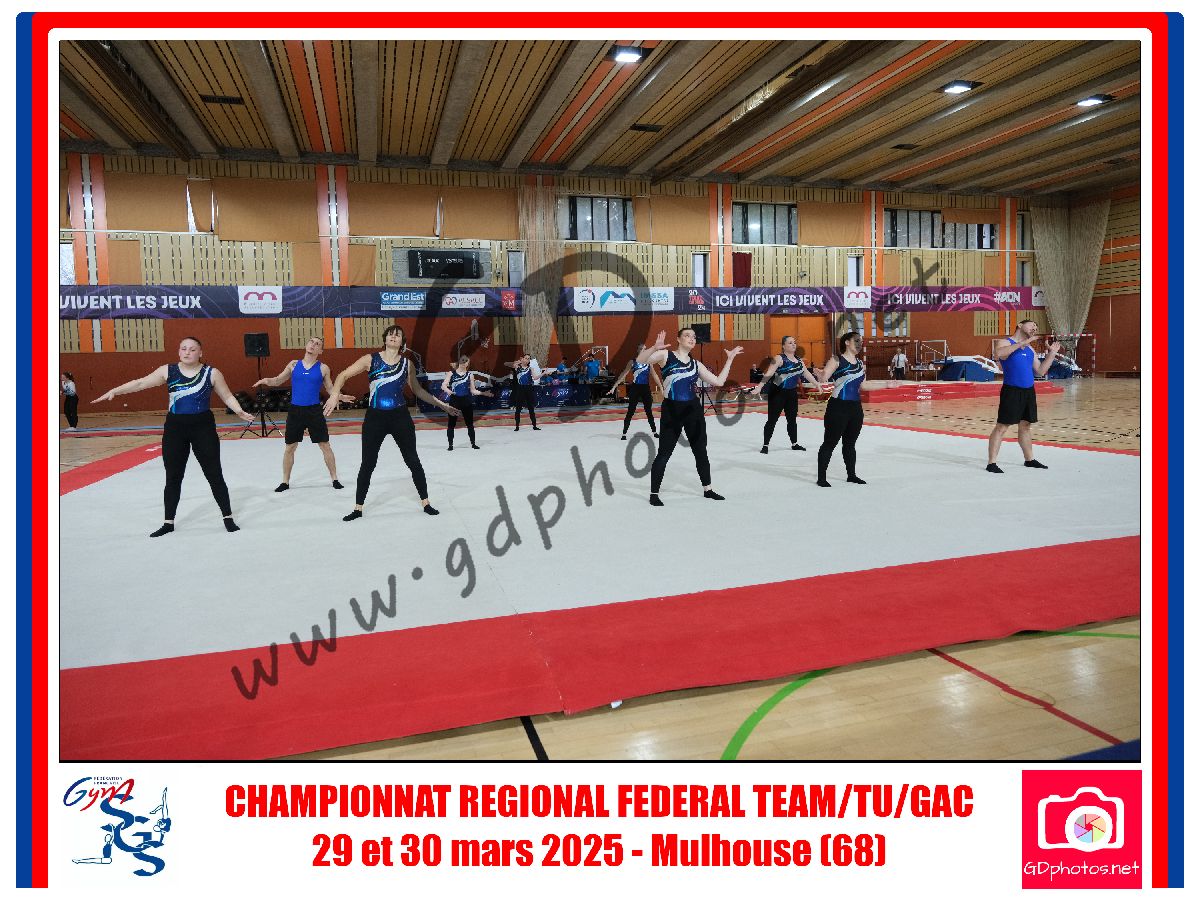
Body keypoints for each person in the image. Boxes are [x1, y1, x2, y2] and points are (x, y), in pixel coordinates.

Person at [93, 337, 255, 536]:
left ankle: (227, 517)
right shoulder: (167, 371)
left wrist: (238, 410)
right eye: (183, 348)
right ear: (179, 351)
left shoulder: (212, 373)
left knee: (214, 474)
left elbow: (227, 395)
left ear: (200, 353)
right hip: (175, 428)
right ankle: (168, 522)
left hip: (203, 427)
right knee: (173, 476)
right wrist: (115, 391)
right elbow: (141, 383)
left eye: (192, 349)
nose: (187, 352)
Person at [324, 324, 458, 520]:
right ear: (385, 338)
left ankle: (426, 502)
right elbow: (343, 375)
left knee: (412, 460)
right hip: (375, 418)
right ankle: (358, 508)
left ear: (402, 342)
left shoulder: (407, 364)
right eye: (390, 334)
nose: (394, 336)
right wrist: (334, 394)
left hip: (399, 417)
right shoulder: (370, 359)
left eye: (398, 335)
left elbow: (418, 391)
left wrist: (442, 405)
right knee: (368, 463)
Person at [638, 328, 743, 506]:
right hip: (672, 410)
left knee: (700, 450)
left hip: (693, 410)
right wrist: (654, 348)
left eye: (694, 336)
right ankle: (654, 494)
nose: (692, 338)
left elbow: (719, 382)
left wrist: (730, 359)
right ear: (678, 339)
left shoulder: (696, 364)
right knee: (664, 453)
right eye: (687, 335)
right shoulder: (665, 355)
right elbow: (641, 360)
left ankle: (708, 489)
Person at [252, 336, 353, 492]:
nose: (313, 345)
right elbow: (278, 380)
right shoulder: (293, 364)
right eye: (311, 342)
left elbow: (330, 389)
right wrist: (266, 380)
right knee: (290, 447)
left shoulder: (323, 368)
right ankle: (285, 482)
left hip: (314, 411)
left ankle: (335, 479)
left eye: (317, 344)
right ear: (307, 345)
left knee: (325, 445)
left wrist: (340, 396)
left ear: (320, 351)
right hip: (295, 411)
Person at [986, 319, 1061, 473]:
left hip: (1028, 391)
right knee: (1002, 426)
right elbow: (999, 354)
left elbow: (1040, 371)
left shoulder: (1030, 349)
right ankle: (991, 463)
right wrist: (1022, 343)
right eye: (1032, 325)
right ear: (1020, 325)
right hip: (1011, 391)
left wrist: (1052, 354)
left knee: (1026, 426)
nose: (1034, 328)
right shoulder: (1005, 342)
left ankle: (1029, 459)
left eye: (1036, 327)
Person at [748, 337, 824, 454]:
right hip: (777, 392)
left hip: (791, 393)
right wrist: (759, 387)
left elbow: (806, 373)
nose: (793, 345)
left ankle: (794, 444)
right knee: (772, 420)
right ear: (783, 346)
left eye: (794, 343)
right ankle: (765, 445)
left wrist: (817, 384)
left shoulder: (799, 360)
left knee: (792, 420)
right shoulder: (779, 358)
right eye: (790, 343)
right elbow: (769, 373)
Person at [816, 331, 867, 488]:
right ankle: (821, 478)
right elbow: (825, 377)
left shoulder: (860, 364)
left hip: (855, 408)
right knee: (830, 443)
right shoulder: (837, 359)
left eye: (861, 341)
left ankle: (851, 475)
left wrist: (887, 385)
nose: (859, 344)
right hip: (838, 407)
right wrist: (820, 375)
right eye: (856, 340)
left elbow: (864, 386)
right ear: (846, 342)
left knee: (850, 444)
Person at [605, 344, 663, 440]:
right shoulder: (632, 362)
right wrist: (614, 387)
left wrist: (661, 387)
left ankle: (654, 432)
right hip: (635, 388)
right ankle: (624, 433)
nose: (643, 351)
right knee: (630, 411)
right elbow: (624, 374)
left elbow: (655, 375)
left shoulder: (649, 362)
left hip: (645, 388)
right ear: (637, 350)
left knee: (649, 411)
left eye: (645, 349)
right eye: (641, 349)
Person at [439, 354, 493, 450]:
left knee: (470, 424)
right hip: (454, 401)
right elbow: (443, 385)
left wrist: (484, 393)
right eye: (463, 360)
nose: (465, 363)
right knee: (451, 424)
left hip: (466, 401)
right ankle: (450, 445)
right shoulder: (451, 373)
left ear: (468, 364)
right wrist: (448, 391)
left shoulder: (470, 375)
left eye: (466, 361)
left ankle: (473, 443)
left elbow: (473, 390)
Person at [504, 352, 543, 431]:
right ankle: (517, 426)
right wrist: (519, 361)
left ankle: (534, 426)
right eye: (526, 358)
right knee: (518, 408)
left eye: (528, 359)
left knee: (531, 408)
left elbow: (535, 378)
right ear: (523, 359)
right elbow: (505, 363)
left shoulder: (530, 368)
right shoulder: (517, 367)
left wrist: (543, 373)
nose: (527, 360)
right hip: (520, 389)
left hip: (528, 388)